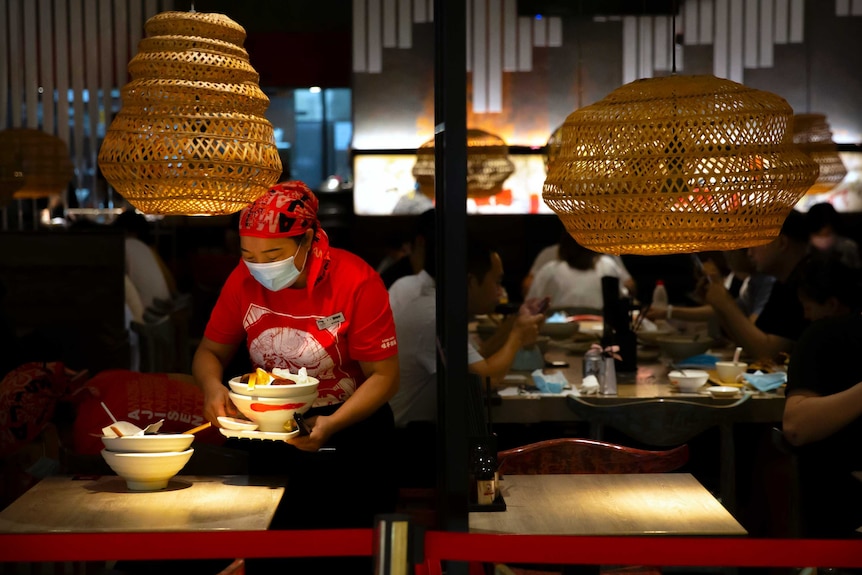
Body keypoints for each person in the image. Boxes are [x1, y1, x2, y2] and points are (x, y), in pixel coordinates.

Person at [191, 181, 400, 573]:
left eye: (272, 254)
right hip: (272, 430)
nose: (260, 266)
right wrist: (212, 386)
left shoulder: (356, 279)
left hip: (350, 434)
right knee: (275, 555)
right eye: (248, 254)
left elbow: (385, 376)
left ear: (307, 240)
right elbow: (209, 352)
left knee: (344, 559)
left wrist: (332, 424)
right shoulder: (242, 278)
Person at [782, 253, 862, 539]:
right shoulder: (827, 335)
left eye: (807, 306)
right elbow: (796, 426)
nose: (804, 314)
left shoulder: (822, 334)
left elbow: (794, 427)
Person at [698, 210, 812, 364]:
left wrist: (725, 303)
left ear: (781, 243)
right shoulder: (782, 283)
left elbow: (769, 354)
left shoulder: (807, 281)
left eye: (754, 242)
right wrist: (718, 303)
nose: (749, 253)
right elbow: (749, 343)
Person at [467, 238, 546, 386]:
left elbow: (481, 354)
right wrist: (518, 336)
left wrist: (516, 322)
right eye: (497, 282)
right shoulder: (435, 317)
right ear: (471, 282)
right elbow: (485, 380)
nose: (500, 291)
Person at [525, 231, 629, 312]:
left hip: (559, 334)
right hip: (597, 332)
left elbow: (531, 307)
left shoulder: (549, 269)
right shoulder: (607, 266)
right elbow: (623, 300)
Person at [806, 201, 861, 269]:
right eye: (818, 235)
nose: (823, 240)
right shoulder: (804, 250)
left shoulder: (848, 247)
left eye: (827, 234)